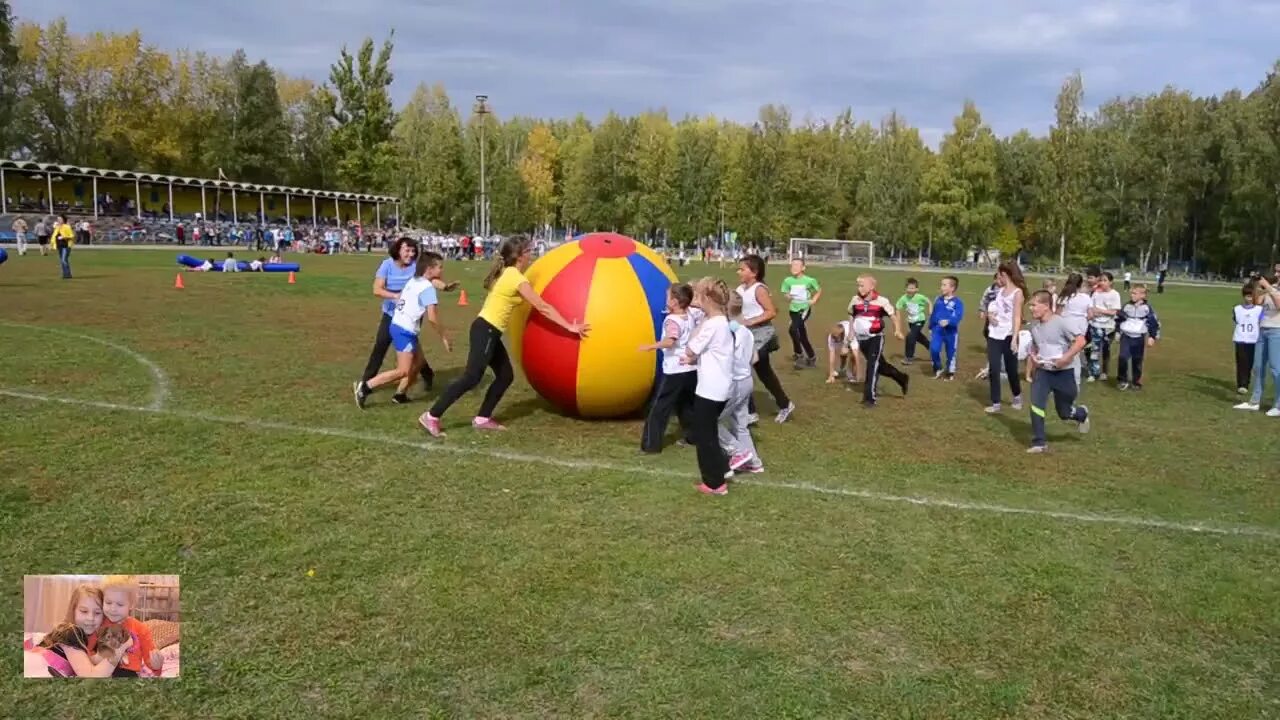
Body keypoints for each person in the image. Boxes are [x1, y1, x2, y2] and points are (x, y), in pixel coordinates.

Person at [421, 235, 587, 436]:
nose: (531, 255)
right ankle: (431, 415)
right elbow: (541, 306)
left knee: (505, 375)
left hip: (490, 331)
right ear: (520, 256)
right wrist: (569, 326)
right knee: (471, 377)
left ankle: (482, 418)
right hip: (486, 330)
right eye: (529, 252)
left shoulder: (507, 273)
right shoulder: (515, 277)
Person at [355, 252, 452, 406]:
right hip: (404, 331)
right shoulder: (427, 289)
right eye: (440, 267)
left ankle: (400, 395)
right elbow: (432, 318)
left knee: (419, 361)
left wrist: (445, 286)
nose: (442, 271)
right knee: (403, 371)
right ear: (429, 269)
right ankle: (365, 387)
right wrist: (444, 336)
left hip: (399, 325)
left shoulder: (415, 280)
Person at [681, 277, 735, 495]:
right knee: (709, 432)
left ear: (706, 298)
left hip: (710, 389)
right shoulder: (722, 321)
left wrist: (700, 324)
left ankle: (714, 483)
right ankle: (721, 469)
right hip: (720, 387)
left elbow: (690, 349)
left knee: (705, 436)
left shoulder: (712, 324)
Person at [361, 238, 437, 391]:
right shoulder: (387, 265)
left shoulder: (416, 267)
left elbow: (431, 281)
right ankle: (366, 382)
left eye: (413, 251)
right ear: (398, 250)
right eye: (407, 250)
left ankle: (427, 374)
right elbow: (377, 289)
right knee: (381, 345)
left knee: (412, 349)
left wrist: (445, 286)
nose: (410, 254)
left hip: (410, 315)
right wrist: (396, 296)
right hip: (390, 314)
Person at [1024, 290, 1091, 453]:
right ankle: (1039, 442)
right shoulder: (1034, 326)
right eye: (1030, 305)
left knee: (1064, 413)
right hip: (1043, 373)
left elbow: (1081, 341)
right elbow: (1036, 346)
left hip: (1063, 373)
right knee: (1036, 405)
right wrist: (1033, 356)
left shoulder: (1062, 323)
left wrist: (1066, 358)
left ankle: (1081, 414)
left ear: (1046, 306)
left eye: (1034, 305)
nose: (1031, 309)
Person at [638, 283, 700, 453]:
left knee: (659, 407)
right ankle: (694, 436)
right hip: (690, 369)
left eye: (667, 298)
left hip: (674, 370)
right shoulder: (691, 314)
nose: (665, 300)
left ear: (674, 301)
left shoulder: (672, 320)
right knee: (686, 405)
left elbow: (670, 340)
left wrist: (650, 346)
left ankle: (650, 445)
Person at [735, 254, 795, 423]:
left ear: (754, 273)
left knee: (744, 367)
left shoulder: (759, 289)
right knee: (764, 372)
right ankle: (785, 404)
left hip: (762, 335)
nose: (738, 272)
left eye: (742, 269)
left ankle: (750, 412)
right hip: (747, 335)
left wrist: (750, 321)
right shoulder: (740, 289)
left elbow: (771, 311)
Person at [30, 583, 130, 678]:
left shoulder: (89, 637)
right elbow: (91, 676)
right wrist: (121, 647)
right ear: (73, 610)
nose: (90, 618)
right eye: (84, 611)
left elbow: (92, 661)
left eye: (97, 613)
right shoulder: (69, 631)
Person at [847, 274, 908, 407]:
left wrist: (897, 330)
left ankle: (869, 398)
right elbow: (852, 316)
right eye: (858, 285)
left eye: (862, 285)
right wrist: (851, 332)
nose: (859, 288)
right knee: (881, 367)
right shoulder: (855, 300)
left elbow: (893, 316)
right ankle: (902, 378)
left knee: (872, 366)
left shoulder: (882, 301)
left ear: (872, 287)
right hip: (861, 339)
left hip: (876, 338)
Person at [719, 292, 763, 474]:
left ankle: (738, 451)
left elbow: (727, 358)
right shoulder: (745, 331)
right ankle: (754, 462)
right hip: (746, 380)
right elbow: (755, 358)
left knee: (709, 422)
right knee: (740, 425)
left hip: (734, 382)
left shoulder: (730, 331)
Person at [982, 262, 1027, 413]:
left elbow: (1016, 317)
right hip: (994, 334)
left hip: (1008, 335)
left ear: (1005, 275)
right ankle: (995, 403)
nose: (997, 279)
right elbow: (994, 308)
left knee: (1011, 370)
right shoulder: (999, 291)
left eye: (999, 275)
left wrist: (1015, 338)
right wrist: (991, 316)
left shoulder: (1018, 293)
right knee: (994, 369)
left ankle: (1017, 396)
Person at [1234, 273, 1280, 415]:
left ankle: (1278, 405)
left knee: (1275, 368)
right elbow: (1256, 302)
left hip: (1276, 330)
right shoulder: (1271, 288)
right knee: (1258, 366)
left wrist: (1267, 287)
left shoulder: (1273, 290)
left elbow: (1278, 305)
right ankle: (1254, 401)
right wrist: (1255, 286)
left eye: (1278, 272)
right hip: (1262, 330)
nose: (1276, 274)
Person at [99, 576, 163, 677]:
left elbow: (149, 660)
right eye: (108, 602)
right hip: (102, 670)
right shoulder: (99, 623)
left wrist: (157, 664)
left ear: (131, 604)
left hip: (127, 673)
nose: (113, 609)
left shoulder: (141, 628)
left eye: (119, 604)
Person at [1115, 284, 1161, 390]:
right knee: (1122, 357)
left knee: (1137, 360)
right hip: (1126, 337)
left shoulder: (1147, 308)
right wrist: (1118, 332)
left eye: (1134, 293)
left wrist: (1152, 337)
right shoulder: (1126, 306)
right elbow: (1119, 319)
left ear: (1143, 295)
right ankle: (1122, 380)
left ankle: (1136, 381)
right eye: (1131, 293)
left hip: (1138, 338)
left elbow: (1153, 323)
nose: (1131, 295)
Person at [779, 259, 822, 369]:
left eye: (797, 265)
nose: (794, 268)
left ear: (803, 268)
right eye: (792, 265)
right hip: (793, 309)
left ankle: (799, 354)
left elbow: (818, 290)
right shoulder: (788, 280)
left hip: (804, 309)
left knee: (792, 329)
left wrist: (814, 300)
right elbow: (785, 292)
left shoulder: (809, 280)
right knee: (801, 334)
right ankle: (811, 356)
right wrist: (788, 296)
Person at [1057, 273, 1092, 389]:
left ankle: (1060, 380)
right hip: (1080, 329)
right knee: (1075, 355)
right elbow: (1090, 314)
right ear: (1080, 284)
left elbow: (1058, 314)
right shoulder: (1086, 297)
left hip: (1065, 326)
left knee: (1063, 353)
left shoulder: (1064, 296)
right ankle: (1075, 381)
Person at [1086, 271, 1122, 382]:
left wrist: (1100, 310)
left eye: (1105, 280)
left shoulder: (1115, 294)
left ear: (1111, 282)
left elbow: (1114, 312)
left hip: (1108, 327)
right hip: (1095, 325)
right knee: (1094, 349)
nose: (1102, 282)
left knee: (1106, 349)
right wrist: (1093, 313)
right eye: (1101, 280)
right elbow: (1091, 308)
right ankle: (1093, 373)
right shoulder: (1096, 293)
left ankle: (1104, 372)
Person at [928, 275, 964, 380]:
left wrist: (949, 321)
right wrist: (930, 327)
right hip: (937, 330)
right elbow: (934, 314)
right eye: (941, 285)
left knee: (951, 352)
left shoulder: (958, 302)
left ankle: (950, 371)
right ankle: (937, 367)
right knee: (934, 349)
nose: (941, 287)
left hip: (951, 332)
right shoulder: (938, 300)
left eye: (944, 285)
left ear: (952, 288)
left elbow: (958, 316)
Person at [1232, 282, 1263, 394]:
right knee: (1241, 361)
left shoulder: (1259, 310)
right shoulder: (1237, 309)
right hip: (1240, 338)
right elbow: (1236, 320)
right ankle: (1241, 384)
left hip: (1253, 339)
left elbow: (1262, 321)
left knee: (1250, 362)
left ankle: (1247, 382)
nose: (1249, 298)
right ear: (1244, 296)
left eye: (1251, 296)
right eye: (1247, 296)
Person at [896, 277, 931, 364]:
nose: (910, 290)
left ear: (916, 289)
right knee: (918, 337)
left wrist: (930, 309)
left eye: (912, 288)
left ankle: (909, 357)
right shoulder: (903, 298)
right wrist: (897, 318)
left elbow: (928, 301)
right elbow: (898, 307)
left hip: (920, 320)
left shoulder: (919, 297)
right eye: (908, 288)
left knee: (910, 336)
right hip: (911, 321)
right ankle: (932, 348)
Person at [52, 215, 75, 279]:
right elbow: (54, 237)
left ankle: (67, 274)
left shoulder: (67, 227)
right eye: (58, 219)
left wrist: (64, 237)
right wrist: (52, 244)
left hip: (66, 245)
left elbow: (72, 236)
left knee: (64, 259)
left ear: (63, 220)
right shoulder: (57, 227)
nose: (58, 220)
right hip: (59, 246)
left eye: (60, 219)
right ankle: (65, 274)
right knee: (62, 260)